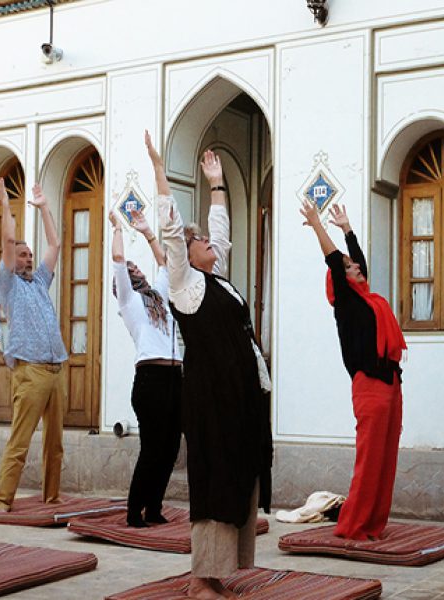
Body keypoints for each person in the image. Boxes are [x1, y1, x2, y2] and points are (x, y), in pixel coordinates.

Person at [152, 140, 272, 600]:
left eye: (205, 241)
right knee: (213, 478)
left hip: (240, 396)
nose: (209, 244)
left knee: (239, 473)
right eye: (199, 241)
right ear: (186, 252)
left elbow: (221, 231)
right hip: (209, 400)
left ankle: (219, 570)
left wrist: (218, 185)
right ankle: (199, 579)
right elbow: (171, 230)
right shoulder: (184, 283)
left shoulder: (217, 280)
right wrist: (162, 171)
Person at [299, 200, 405, 541]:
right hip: (369, 384)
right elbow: (334, 260)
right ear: (341, 281)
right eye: (350, 267)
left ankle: (372, 524)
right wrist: (318, 225)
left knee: (386, 458)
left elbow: (353, 259)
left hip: (390, 381)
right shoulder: (347, 303)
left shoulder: (369, 297)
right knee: (369, 458)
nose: (356, 266)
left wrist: (348, 229)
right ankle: (352, 526)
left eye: (355, 264)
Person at [109, 134, 182, 528]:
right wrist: (119, 228)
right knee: (153, 447)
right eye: (132, 273)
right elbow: (119, 261)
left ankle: (154, 508)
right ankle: (134, 510)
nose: (137, 270)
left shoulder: (162, 299)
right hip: (151, 377)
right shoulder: (131, 304)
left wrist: (147, 232)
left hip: (175, 376)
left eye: (140, 270)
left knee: (170, 449)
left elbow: (167, 262)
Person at [0, 180, 68, 513]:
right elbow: (8, 240)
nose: (27, 259)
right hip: (30, 370)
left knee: (56, 443)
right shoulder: (7, 284)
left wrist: (45, 208)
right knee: (20, 439)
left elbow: (56, 243)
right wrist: (7, 202)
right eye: (22, 255)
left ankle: (52, 495)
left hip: (56, 368)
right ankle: (2, 499)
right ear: (11, 260)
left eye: (29, 255)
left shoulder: (39, 281)